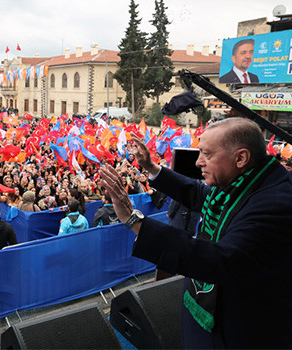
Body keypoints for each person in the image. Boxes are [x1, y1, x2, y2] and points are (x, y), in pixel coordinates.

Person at [100, 118, 292, 348]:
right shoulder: (248, 180)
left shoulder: (276, 203)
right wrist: (151, 167)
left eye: (207, 154)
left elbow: (220, 260)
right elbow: (200, 193)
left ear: (241, 158)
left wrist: (134, 221)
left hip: (244, 332)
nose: (198, 162)